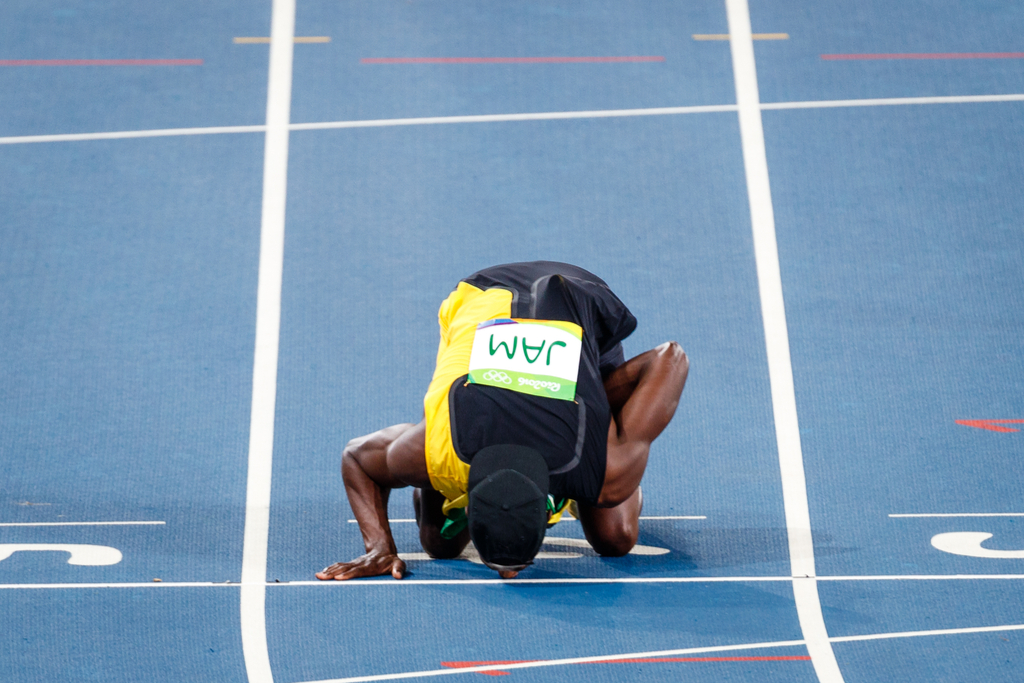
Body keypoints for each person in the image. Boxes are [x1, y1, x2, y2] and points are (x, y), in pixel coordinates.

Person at [316, 262, 688, 580]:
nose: (508, 576)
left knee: (616, 538)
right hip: (483, 300)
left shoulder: (608, 474)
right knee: (438, 544)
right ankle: (440, 489)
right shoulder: (431, 453)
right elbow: (356, 458)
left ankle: (571, 438)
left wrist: (590, 410)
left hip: (577, 298)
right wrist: (379, 548)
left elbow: (669, 358)